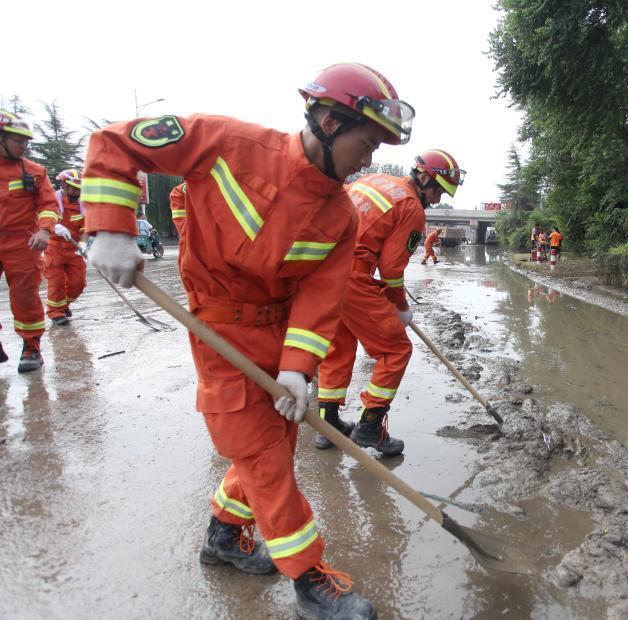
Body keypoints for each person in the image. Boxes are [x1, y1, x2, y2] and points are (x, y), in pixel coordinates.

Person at [83, 63, 414, 620]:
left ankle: (222, 534)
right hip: (216, 328)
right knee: (265, 455)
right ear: (330, 122)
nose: (369, 159)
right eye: (367, 142)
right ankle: (310, 580)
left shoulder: (339, 216)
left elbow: (320, 297)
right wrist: (111, 226)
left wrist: (297, 367)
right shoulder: (227, 143)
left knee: (277, 441)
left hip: (278, 332)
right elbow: (114, 142)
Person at [316, 150, 465, 455]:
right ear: (424, 177)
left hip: (323, 273)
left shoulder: (374, 180)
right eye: (437, 191)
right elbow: (393, 270)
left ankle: (327, 425)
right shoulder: (411, 206)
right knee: (396, 350)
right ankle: (370, 426)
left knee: (339, 346)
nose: (437, 200)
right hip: (352, 277)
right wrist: (400, 308)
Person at [0, 110, 58, 372]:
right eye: (18, 140)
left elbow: (48, 204)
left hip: (23, 243)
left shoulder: (34, 172)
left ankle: (31, 346)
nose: (24, 146)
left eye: (27, 141)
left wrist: (45, 230)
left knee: (25, 297)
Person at [45, 169, 87, 326]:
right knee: (56, 283)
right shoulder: (52, 201)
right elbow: (42, 217)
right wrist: (54, 226)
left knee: (78, 283)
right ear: (63, 184)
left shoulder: (83, 204)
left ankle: (62, 306)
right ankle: (55, 313)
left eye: (79, 188)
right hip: (53, 248)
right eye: (74, 188)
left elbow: (86, 227)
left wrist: (82, 244)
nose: (77, 191)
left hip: (73, 250)